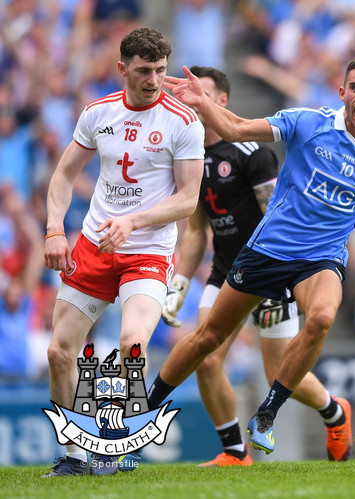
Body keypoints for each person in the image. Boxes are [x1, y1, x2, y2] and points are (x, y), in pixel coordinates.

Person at [144, 56, 355, 457]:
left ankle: (266, 416)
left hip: (321, 259)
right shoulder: (307, 122)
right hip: (267, 251)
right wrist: (203, 104)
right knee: (208, 341)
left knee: (322, 316)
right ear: (342, 93)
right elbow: (236, 128)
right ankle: (140, 415)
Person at [161, 66, 354, 466]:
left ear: (223, 101)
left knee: (277, 374)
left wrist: (279, 282)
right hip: (224, 273)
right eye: (186, 94)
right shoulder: (188, 156)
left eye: (203, 93)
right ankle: (234, 451)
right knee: (207, 357)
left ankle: (335, 412)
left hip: (271, 273)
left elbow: (275, 216)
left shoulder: (251, 154)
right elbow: (197, 230)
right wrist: (179, 283)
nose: (192, 100)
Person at [42, 27, 205, 477]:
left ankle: (115, 443)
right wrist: (55, 229)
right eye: (143, 70)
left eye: (160, 70)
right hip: (94, 246)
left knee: (131, 344)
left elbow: (188, 199)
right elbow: (62, 176)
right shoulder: (98, 113)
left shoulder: (184, 122)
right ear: (122, 69)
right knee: (59, 352)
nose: (153, 79)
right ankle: (74, 457)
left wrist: (133, 221)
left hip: (148, 250)